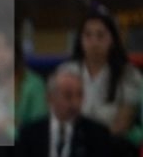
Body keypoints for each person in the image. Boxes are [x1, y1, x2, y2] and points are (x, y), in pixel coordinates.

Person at [60, 11, 141, 144]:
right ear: (80, 40)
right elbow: (58, 116)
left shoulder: (128, 75)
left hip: (112, 146)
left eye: (100, 35)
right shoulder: (66, 72)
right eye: (88, 35)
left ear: (113, 40)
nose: (94, 42)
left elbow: (123, 122)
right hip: (71, 144)